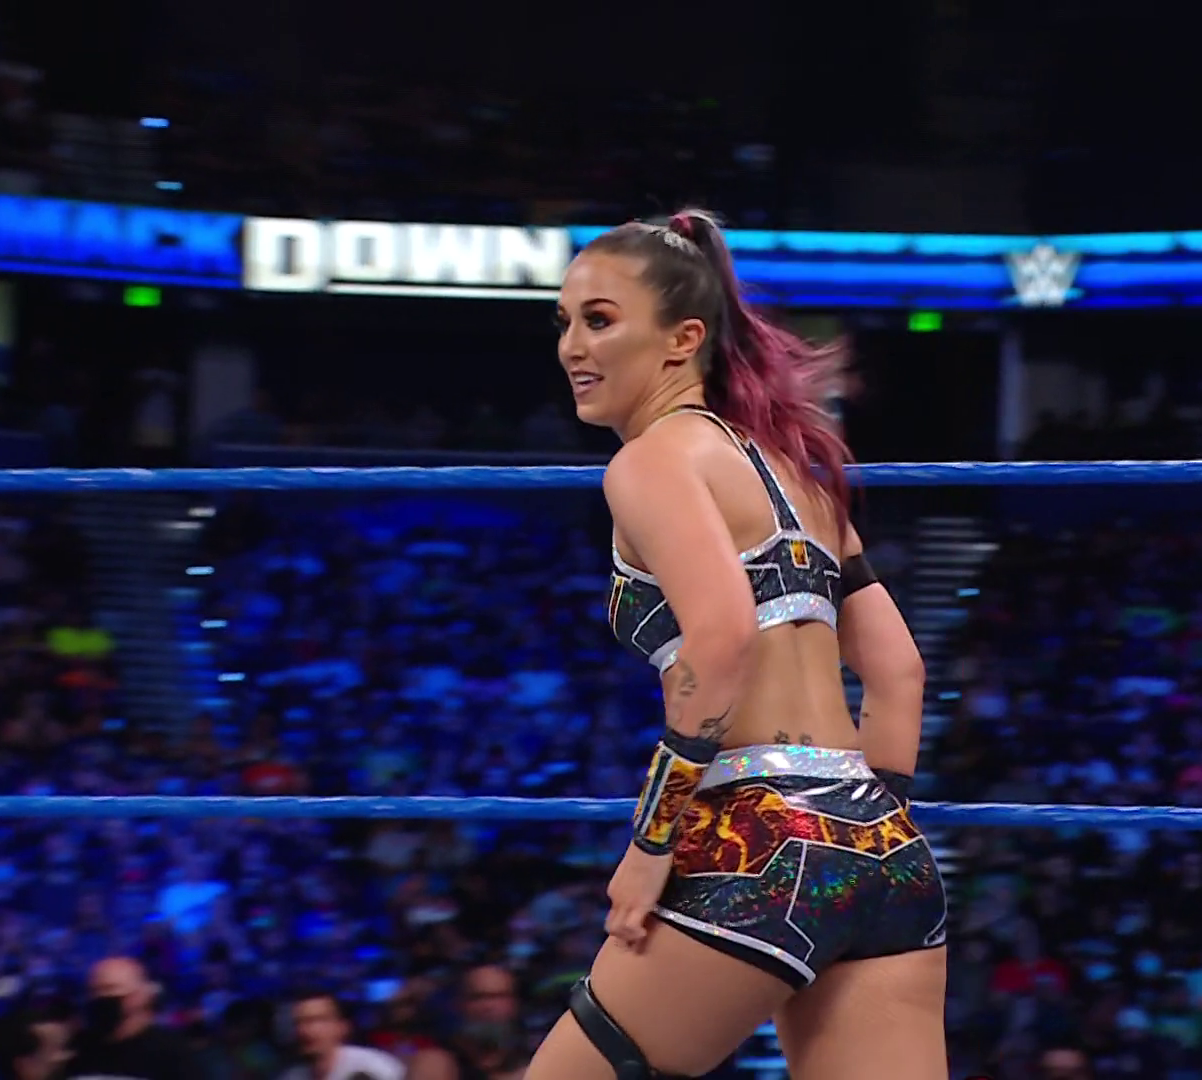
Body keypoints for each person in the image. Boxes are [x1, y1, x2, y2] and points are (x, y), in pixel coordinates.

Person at [526, 209, 947, 1080]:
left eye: (599, 320)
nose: (572, 346)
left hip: (755, 839)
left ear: (683, 340)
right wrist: (861, 832)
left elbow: (721, 642)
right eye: (563, 322)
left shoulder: (652, 462)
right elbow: (900, 674)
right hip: (884, 848)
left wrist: (649, 849)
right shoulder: (800, 471)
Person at [63, 957, 199, 1080]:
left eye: (110, 988)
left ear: (140, 996)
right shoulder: (79, 1047)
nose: (101, 996)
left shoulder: (171, 1052)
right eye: (94, 990)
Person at [403, 967, 524, 1080]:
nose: (488, 1006)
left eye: (498, 996)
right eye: (477, 997)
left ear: (515, 1003)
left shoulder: (529, 1059)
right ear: (459, 1004)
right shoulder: (436, 1062)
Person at [281, 991, 402, 1080]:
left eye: (317, 1020)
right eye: (299, 1022)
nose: (305, 1030)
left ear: (342, 1027)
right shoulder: (292, 1076)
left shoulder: (373, 1068)